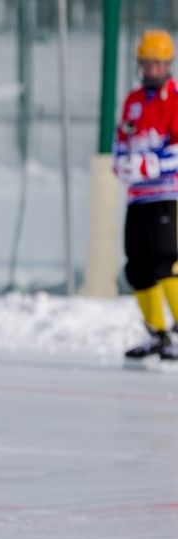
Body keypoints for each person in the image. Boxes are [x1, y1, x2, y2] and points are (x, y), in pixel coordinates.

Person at [114, 30, 178, 365]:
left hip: (167, 194)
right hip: (137, 197)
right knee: (137, 266)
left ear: (168, 64)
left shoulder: (176, 98)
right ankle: (157, 333)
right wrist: (120, 165)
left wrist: (153, 163)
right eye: (147, 63)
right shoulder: (133, 100)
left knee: (167, 260)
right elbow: (121, 141)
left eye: (158, 63)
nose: (152, 69)